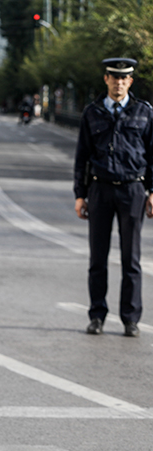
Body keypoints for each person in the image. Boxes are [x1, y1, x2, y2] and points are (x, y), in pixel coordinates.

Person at [74, 58, 153, 337]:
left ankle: (130, 318)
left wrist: (152, 191)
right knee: (98, 258)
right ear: (106, 80)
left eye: (124, 78)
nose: (119, 82)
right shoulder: (92, 112)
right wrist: (80, 195)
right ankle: (97, 315)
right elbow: (82, 157)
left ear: (130, 82)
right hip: (100, 190)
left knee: (131, 259)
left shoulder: (144, 112)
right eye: (114, 77)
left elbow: (152, 155)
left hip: (132, 189)